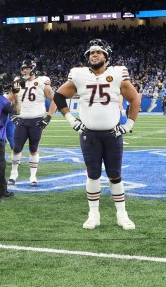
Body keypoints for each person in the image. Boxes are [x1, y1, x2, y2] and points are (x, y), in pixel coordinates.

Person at [53, 39, 141, 230]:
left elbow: (134, 98)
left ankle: (122, 215)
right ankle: (93, 215)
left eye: (99, 52)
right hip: (89, 134)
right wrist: (71, 120)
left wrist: (129, 125)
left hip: (112, 133)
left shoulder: (117, 74)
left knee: (115, 175)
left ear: (106, 56)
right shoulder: (79, 75)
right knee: (92, 175)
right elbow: (58, 96)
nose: (94, 55)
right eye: (91, 52)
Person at [9, 59, 56, 187]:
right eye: (23, 68)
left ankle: (33, 176)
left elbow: (55, 99)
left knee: (33, 149)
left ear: (33, 69)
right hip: (22, 119)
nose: (25, 70)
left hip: (36, 120)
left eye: (28, 68)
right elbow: (10, 100)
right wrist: (12, 114)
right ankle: (13, 174)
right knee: (16, 148)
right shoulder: (18, 82)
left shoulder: (42, 81)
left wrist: (48, 117)